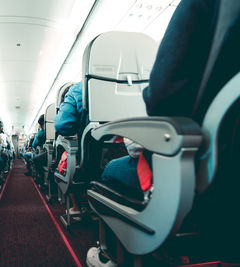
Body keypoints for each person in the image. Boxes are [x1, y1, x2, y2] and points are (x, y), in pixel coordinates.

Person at [86, 0, 218, 266]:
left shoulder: (206, 6)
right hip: (228, 177)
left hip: (196, 174)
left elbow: (163, 99)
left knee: (111, 168)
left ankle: (112, 252)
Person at [53, 82, 84, 216]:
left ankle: (77, 207)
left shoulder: (76, 90)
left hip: (88, 158)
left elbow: (62, 126)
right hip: (120, 151)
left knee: (67, 163)